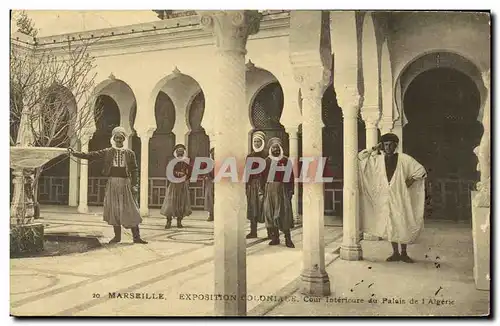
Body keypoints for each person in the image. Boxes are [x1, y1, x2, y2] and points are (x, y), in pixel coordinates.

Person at [68, 126, 147, 244]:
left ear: (124, 139)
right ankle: (117, 237)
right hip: (112, 183)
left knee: (131, 210)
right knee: (114, 210)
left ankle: (136, 237)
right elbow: (91, 155)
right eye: (117, 138)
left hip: (126, 184)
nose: (119, 140)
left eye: (121, 138)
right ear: (113, 139)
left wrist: (135, 184)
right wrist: (75, 154)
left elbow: (135, 170)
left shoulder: (130, 153)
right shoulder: (108, 152)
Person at [358, 133, 427, 263]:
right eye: (386, 145)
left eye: (391, 144)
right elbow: (361, 157)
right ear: (382, 146)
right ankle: (395, 253)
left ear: (395, 145)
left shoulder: (404, 159)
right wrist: (374, 148)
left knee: (402, 222)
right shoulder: (378, 160)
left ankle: (404, 253)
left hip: (400, 196)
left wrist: (409, 182)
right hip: (386, 197)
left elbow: (421, 171)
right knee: (391, 224)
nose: (388, 147)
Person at [262, 137, 295, 248]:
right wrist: (263, 191)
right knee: (270, 215)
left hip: (282, 190)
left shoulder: (285, 160)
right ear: (270, 149)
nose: (275, 150)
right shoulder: (267, 161)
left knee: (283, 214)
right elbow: (263, 177)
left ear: (280, 148)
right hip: (269, 190)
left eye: (277, 147)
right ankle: (275, 237)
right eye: (273, 147)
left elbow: (290, 177)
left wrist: (290, 190)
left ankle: (288, 239)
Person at [160, 144, 192, 229]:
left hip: (182, 185)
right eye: (178, 151)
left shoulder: (187, 161)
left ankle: (179, 221)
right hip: (173, 185)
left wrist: (185, 175)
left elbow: (190, 173)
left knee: (181, 203)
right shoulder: (171, 161)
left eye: (181, 151)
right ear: (176, 152)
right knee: (170, 203)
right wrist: (176, 173)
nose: (180, 153)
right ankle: (168, 221)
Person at [245, 131, 269, 239]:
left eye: (258, 141)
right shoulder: (250, 156)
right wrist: (247, 186)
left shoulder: (267, 155)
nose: (257, 143)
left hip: (265, 185)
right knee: (252, 208)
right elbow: (247, 172)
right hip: (253, 185)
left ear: (262, 142)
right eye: (255, 141)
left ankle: (270, 233)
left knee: (266, 209)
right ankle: (253, 232)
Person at [203, 147, 215, 222]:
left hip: (219, 183)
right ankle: (211, 214)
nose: (214, 155)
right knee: (210, 198)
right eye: (212, 154)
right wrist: (207, 177)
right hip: (210, 183)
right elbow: (205, 173)